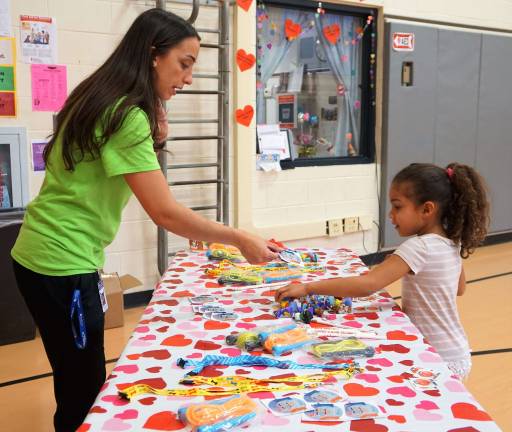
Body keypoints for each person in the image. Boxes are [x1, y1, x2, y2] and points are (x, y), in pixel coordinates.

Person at [11, 8, 278, 432]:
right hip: (62, 263)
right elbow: (165, 211)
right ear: (154, 55)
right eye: (184, 64)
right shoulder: (127, 116)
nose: (188, 78)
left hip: (38, 253)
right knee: (83, 386)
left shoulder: (98, 95)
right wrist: (237, 237)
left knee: (73, 372)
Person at [276, 162, 490, 380]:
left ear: (427, 209)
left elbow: (368, 284)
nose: (390, 215)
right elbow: (459, 288)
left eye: (397, 207)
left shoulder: (419, 247)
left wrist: (307, 287)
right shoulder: (450, 241)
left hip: (436, 355)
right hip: (457, 352)